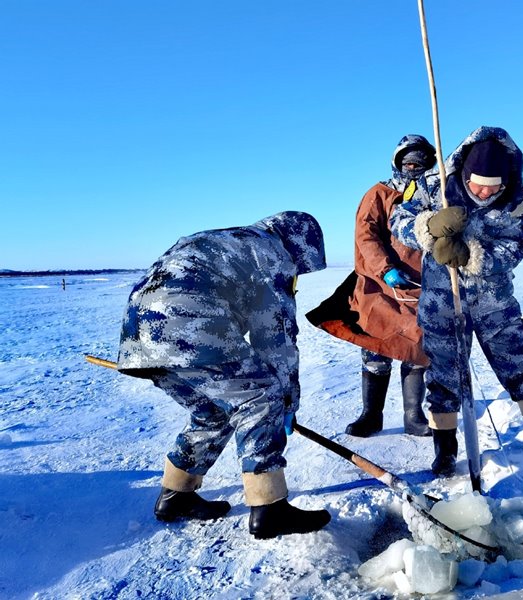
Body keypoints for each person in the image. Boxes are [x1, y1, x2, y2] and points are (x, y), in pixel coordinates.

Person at [116, 211, 332, 539]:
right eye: (302, 266)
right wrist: (286, 400)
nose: (297, 273)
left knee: (213, 412)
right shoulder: (272, 252)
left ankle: (176, 496)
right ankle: (269, 509)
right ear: (299, 247)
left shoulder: (232, 239)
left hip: (139, 334)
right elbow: (276, 337)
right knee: (263, 394)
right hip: (188, 324)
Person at [390, 126, 523, 477]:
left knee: (519, 363)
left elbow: (517, 244)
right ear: (464, 174)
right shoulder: (434, 185)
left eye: (494, 188)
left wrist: (474, 257)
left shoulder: (517, 197)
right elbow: (397, 220)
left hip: (495, 303)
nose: (486, 193)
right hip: (441, 304)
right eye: (478, 186)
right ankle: (445, 450)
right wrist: (427, 227)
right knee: (444, 376)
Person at [307, 135, 436, 438]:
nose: (414, 169)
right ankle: (371, 415)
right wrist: (385, 269)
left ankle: (413, 415)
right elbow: (366, 237)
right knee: (375, 348)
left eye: (421, 164)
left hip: (419, 288)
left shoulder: (434, 196)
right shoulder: (379, 194)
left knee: (416, 349)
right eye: (409, 163)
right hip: (378, 287)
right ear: (398, 163)